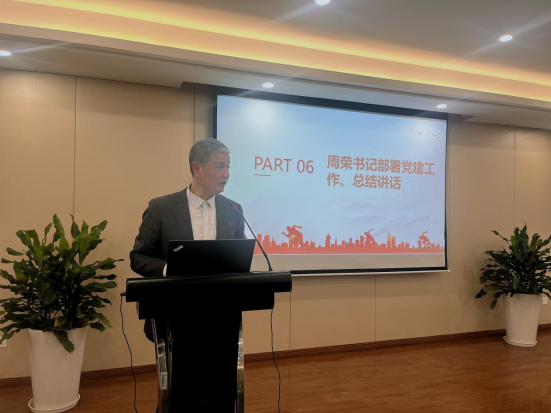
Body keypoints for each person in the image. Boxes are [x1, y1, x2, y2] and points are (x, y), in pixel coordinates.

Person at [130, 139, 245, 412]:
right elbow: (138, 257)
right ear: (197, 168)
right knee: (180, 393)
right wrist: (170, 269)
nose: (226, 173)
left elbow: (239, 259)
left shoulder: (233, 209)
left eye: (228, 167)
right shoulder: (161, 208)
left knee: (220, 391)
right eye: (220, 166)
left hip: (222, 316)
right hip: (176, 317)